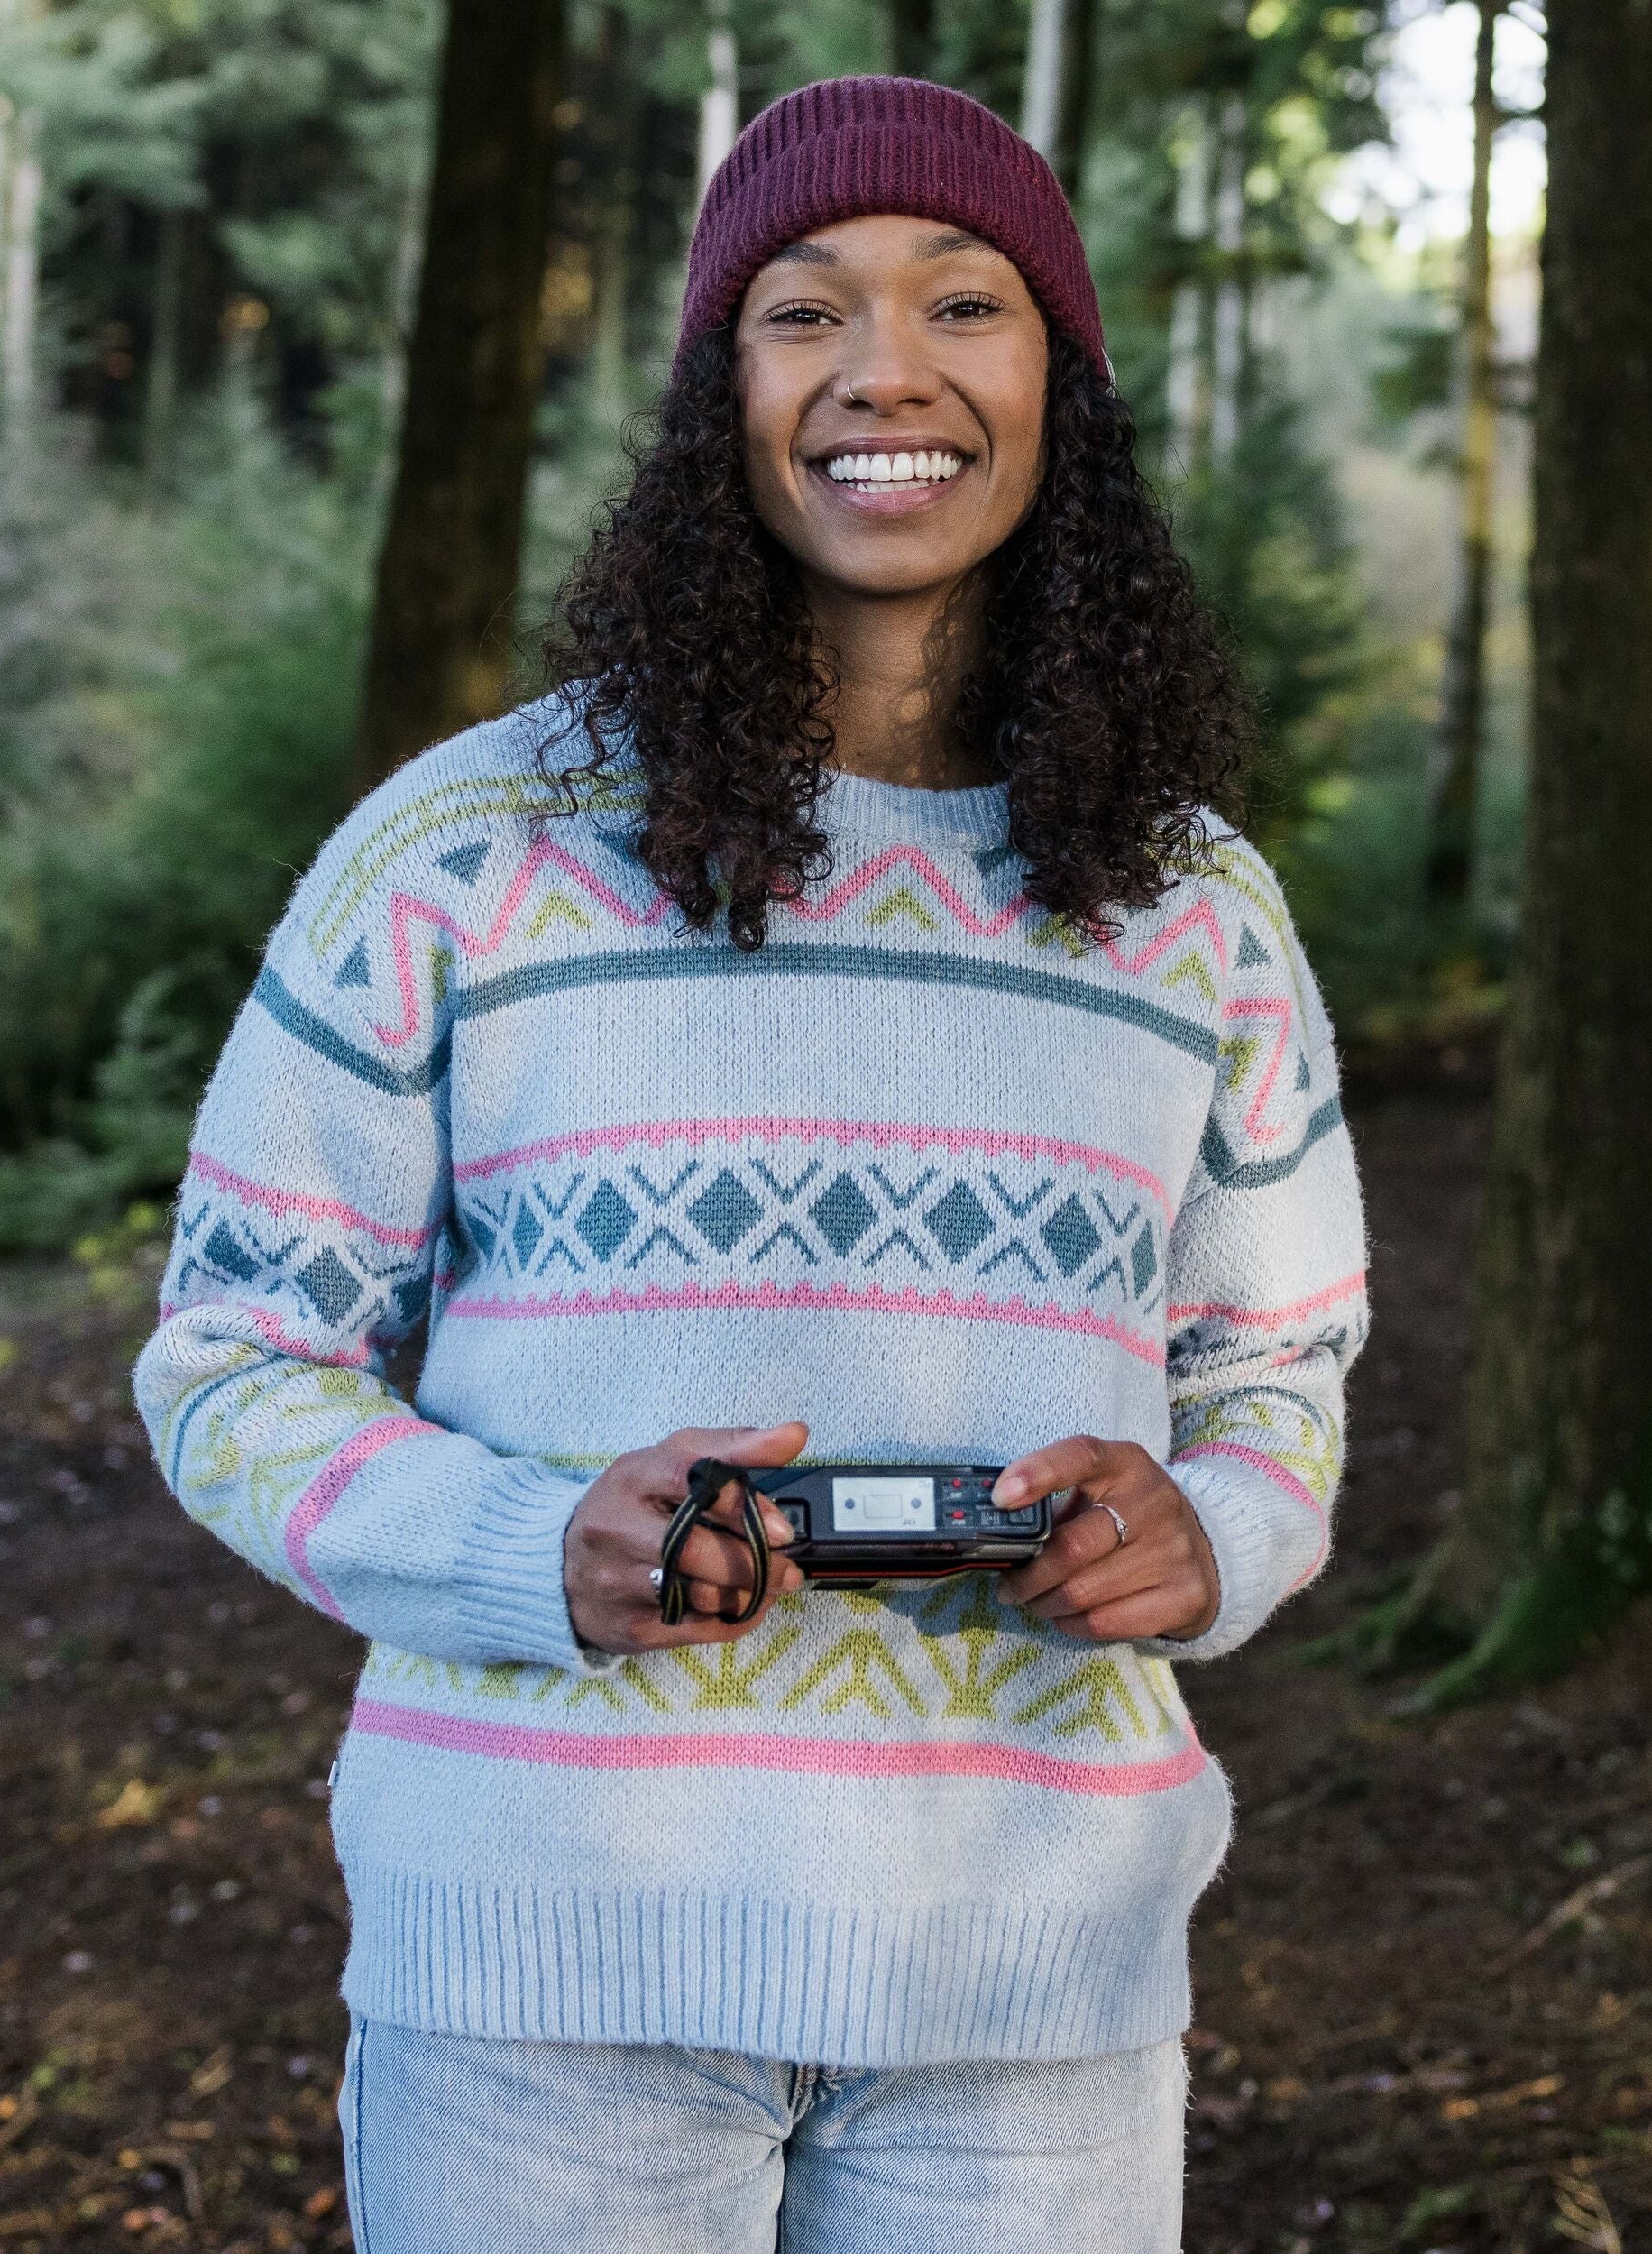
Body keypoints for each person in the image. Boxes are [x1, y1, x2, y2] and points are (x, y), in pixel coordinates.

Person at [133, 72, 1370, 2254]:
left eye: (963, 305)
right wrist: (531, 1539)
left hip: (1034, 1991)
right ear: (723, 390)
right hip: (543, 1970)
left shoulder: (1196, 910)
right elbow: (230, 1354)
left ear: (1055, 385)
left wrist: (1216, 1530)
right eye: (805, 312)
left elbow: (1277, 1378)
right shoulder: (464, 854)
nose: (885, 368)